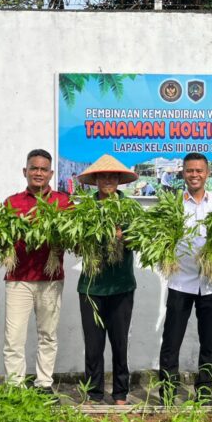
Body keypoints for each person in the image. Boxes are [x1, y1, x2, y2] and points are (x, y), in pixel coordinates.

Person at [2, 149, 71, 394]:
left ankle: (44, 384)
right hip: (18, 278)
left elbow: (73, 238)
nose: (38, 173)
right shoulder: (12, 203)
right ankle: (15, 386)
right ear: (25, 171)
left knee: (48, 335)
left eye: (43, 169)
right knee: (14, 337)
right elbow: (0, 237)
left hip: (50, 278)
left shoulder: (63, 202)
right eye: (34, 168)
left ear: (51, 173)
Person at [158, 152, 212, 403]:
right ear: (182, 174)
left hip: (211, 283)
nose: (194, 175)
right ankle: (167, 393)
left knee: (209, 342)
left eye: (199, 170)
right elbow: (161, 238)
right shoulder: (173, 204)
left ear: (207, 174)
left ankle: (205, 393)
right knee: (171, 340)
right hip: (180, 281)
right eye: (189, 171)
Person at [75, 155, 139, 405]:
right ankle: (94, 393)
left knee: (119, 342)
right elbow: (75, 244)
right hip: (91, 286)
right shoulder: (85, 209)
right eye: (103, 176)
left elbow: (140, 240)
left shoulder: (130, 208)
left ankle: (121, 392)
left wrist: (123, 236)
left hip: (121, 285)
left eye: (113, 176)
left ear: (120, 180)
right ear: (96, 179)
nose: (108, 180)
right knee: (93, 345)